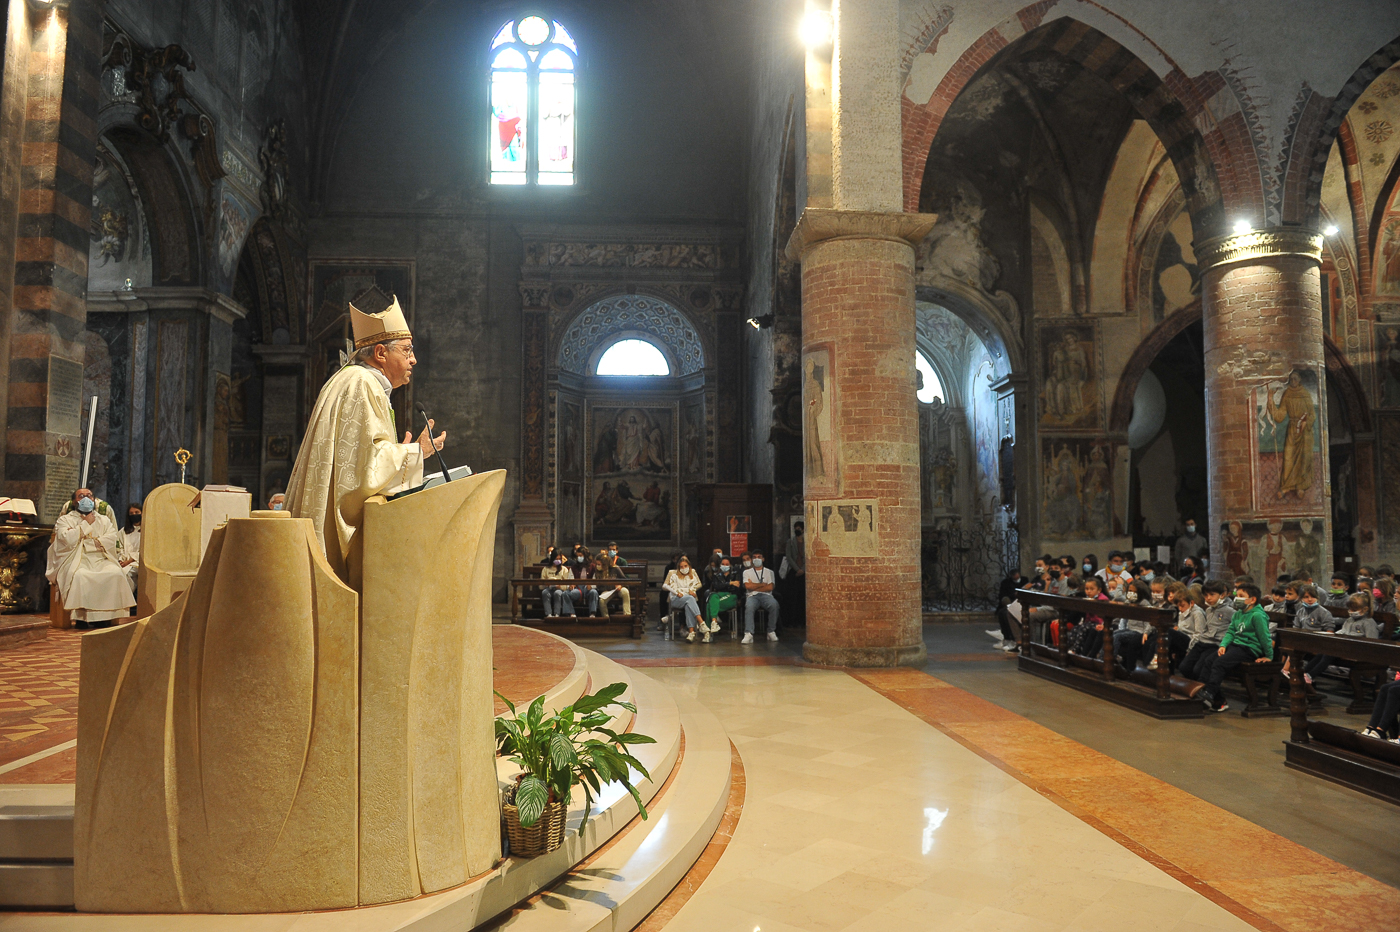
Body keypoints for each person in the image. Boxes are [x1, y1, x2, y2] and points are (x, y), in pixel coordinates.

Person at [284, 292, 445, 584]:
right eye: (407, 351)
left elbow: (357, 458)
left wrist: (400, 452)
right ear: (381, 353)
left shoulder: (352, 378)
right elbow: (362, 470)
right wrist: (416, 452)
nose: (414, 360)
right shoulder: (363, 384)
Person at [48, 489, 136, 628]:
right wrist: (86, 524)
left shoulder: (104, 519)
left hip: (102, 558)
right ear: (73, 502)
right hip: (77, 559)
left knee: (115, 574)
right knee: (80, 576)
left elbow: (111, 538)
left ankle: (105, 617)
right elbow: (66, 539)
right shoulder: (65, 520)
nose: (86, 499)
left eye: (89, 496)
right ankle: (81, 618)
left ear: (94, 499)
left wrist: (85, 541)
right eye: (81, 496)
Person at [1199, 584, 1274, 713]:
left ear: (1253, 600)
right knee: (1209, 660)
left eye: (1241, 596)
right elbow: (1231, 632)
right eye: (1236, 595)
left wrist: (1269, 656)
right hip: (1236, 645)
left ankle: (1210, 693)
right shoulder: (1238, 613)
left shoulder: (1257, 615)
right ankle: (1201, 690)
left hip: (1249, 649)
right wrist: (1223, 645)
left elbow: (1264, 637)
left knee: (1219, 663)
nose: (1236, 599)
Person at [1303, 594, 1378, 679]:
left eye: (1354, 609)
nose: (1351, 611)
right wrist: (1334, 635)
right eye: (1350, 609)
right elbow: (1344, 630)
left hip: (1357, 650)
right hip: (1344, 647)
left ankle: (1310, 676)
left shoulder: (1368, 622)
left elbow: (1372, 641)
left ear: (1365, 609)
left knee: (1329, 654)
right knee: (1323, 652)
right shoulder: (1350, 620)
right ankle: (1304, 672)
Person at [664, 555, 706, 642]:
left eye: (685, 566)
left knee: (688, 604)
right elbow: (670, 587)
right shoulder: (674, 575)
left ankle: (691, 632)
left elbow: (697, 585)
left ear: (689, 566)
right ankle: (701, 622)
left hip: (688, 598)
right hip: (676, 599)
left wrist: (692, 590)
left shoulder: (692, 575)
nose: (683, 568)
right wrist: (682, 592)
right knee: (690, 599)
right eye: (681, 567)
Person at [742, 550, 780, 644]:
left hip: (766, 595)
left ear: (763, 559)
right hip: (752, 596)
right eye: (754, 557)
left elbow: (770, 587)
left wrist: (754, 586)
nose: (756, 559)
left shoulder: (769, 572)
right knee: (749, 607)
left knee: (774, 605)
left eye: (759, 557)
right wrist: (762, 585)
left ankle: (771, 631)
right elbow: (747, 586)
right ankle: (749, 633)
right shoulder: (746, 572)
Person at [119, 503, 142, 592]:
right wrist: (121, 559)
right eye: (131, 514)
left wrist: (129, 561)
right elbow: (119, 547)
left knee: (126, 574)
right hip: (125, 561)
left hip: (138, 562)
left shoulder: (147, 530)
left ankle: (128, 600)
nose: (134, 515)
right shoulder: (123, 531)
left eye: (137, 512)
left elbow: (145, 550)